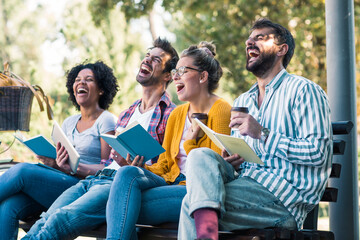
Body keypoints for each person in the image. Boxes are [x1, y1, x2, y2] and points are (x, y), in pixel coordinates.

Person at [178, 18, 333, 240]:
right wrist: (231, 159)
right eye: (248, 40)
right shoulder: (245, 99)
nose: (250, 43)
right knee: (200, 155)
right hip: (245, 185)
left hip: (282, 199)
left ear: (282, 49)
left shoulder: (304, 91)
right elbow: (241, 160)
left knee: (190, 206)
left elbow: (318, 153)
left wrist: (262, 133)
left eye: (259, 38)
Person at [22, 37, 179, 240]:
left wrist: (138, 166)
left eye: (156, 60)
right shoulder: (126, 113)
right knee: (45, 219)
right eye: (147, 56)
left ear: (167, 76)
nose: (147, 60)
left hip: (119, 185)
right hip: (96, 179)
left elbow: (168, 165)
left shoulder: (172, 114)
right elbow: (109, 161)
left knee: (61, 219)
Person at [106, 41, 232, 240]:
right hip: (169, 183)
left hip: (194, 191)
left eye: (183, 70)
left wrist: (190, 142)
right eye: (176, 71)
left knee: (122, 206)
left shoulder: (221, 109)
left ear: (203, 76)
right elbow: (165, 165)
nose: (176, 76)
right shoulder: (178, 114)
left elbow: (212, 171)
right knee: (127, 173)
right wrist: (141, 167)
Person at [0, 60, 119, 240]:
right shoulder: (68, 122)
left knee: (22, 171)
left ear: (101, 89)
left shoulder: (106, 120)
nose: (81, 83)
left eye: (89, 80)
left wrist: (74, 168)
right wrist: (53, 163)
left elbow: (107, 169)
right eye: (77, 79)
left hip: (82, 188)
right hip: (60, 184)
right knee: (9, 206)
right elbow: (62, 164)